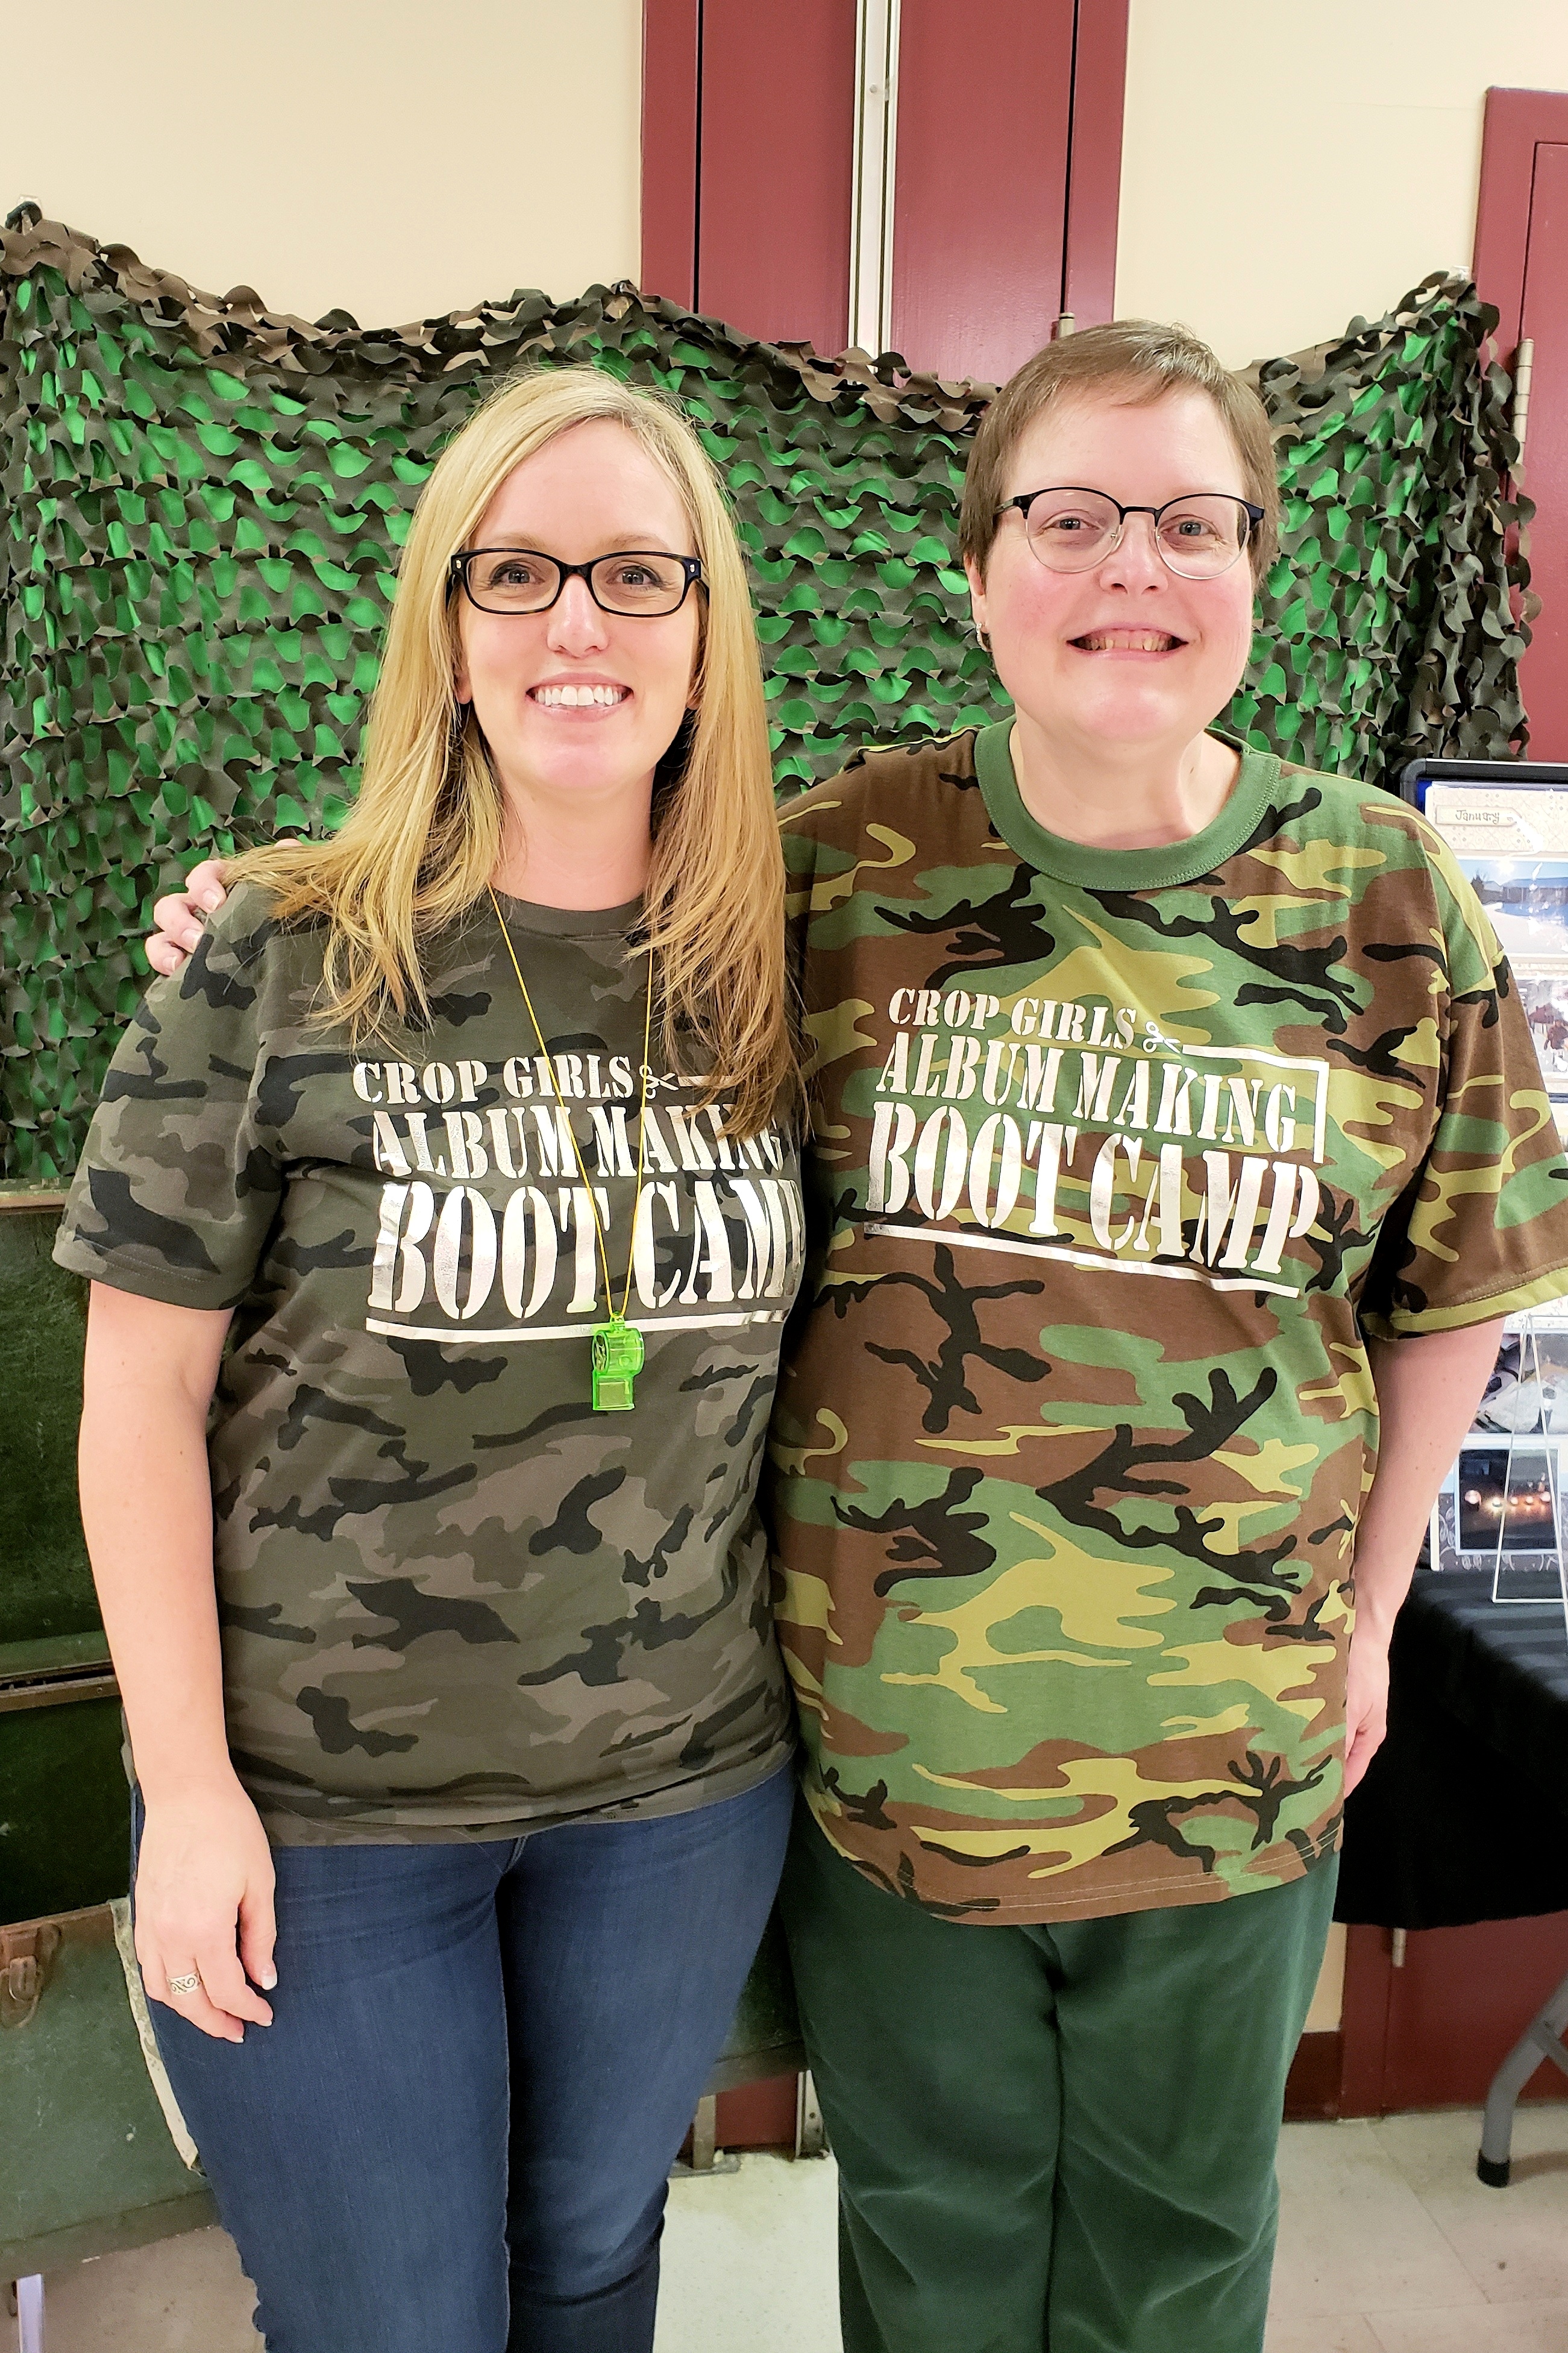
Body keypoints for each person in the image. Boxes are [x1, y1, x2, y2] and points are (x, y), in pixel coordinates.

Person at [148, 322, 1568, 2353]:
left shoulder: (1388, 896)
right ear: (975, 570)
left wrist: (1366, 1610)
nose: (1130, 569)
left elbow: (1454, 1294)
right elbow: (541, 912)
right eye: (1066, 520)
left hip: (1225, 1756)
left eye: (1190, 522)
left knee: (1175, 2269)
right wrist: (256, 921)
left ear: (1261, 561)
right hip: (886, 1751)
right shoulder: (821, 877)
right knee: (927, 2252)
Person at [60, 366, 805, 2353]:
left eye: (636, 573)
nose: (577, 622)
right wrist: (184, 1791)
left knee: (591, 2267)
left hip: (676, 1795)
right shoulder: (278, 949)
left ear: (706, 628)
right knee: (392, 2321)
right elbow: (135, 1399)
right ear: (447, 623)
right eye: (517, 572)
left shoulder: (782, 958)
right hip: (324, 1816)